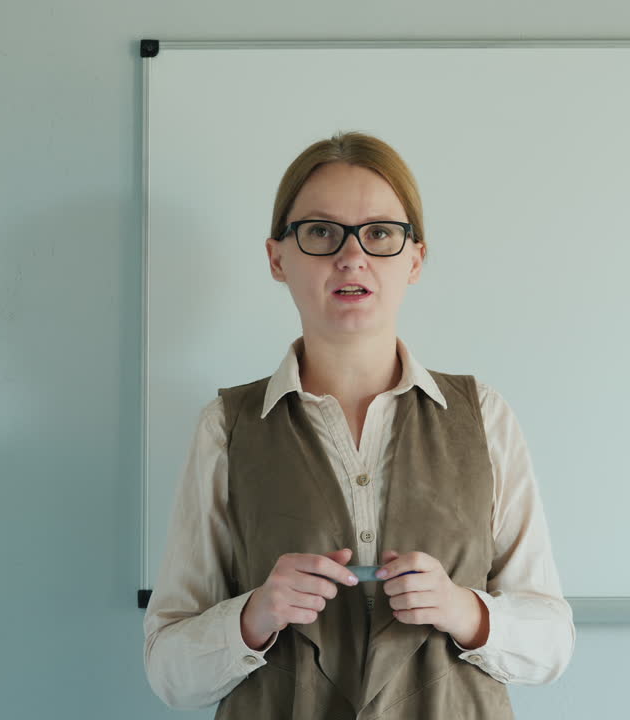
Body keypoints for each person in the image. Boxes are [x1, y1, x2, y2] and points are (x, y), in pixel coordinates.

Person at [143, 130, 575, 718]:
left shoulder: (485, 416)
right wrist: (255, 615)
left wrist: (462, 609)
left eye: (380, 233)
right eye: (320, 232)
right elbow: (170, 671)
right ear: (277, 257)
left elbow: (552, 644)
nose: (353, 256)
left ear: (415, 259)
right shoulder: (226, 427)